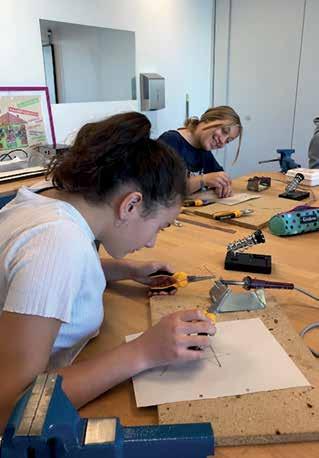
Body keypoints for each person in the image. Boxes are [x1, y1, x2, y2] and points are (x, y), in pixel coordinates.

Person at [0, 112, 216, 431]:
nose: (152, 241)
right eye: (159, 226)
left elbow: (31, 275)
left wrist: (124, 270)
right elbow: (12, 407)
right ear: (130, 205)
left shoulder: (49, 196)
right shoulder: (58, 243)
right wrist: (144, 351)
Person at [158, 106, 242, 197]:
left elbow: (219, 175)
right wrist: (203, 180)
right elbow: (164, 189)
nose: (222, 142)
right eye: (224, 131)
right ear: (208, 119)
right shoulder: (171, 140)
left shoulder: (204, 149)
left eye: (228, 141)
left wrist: (223, 184)